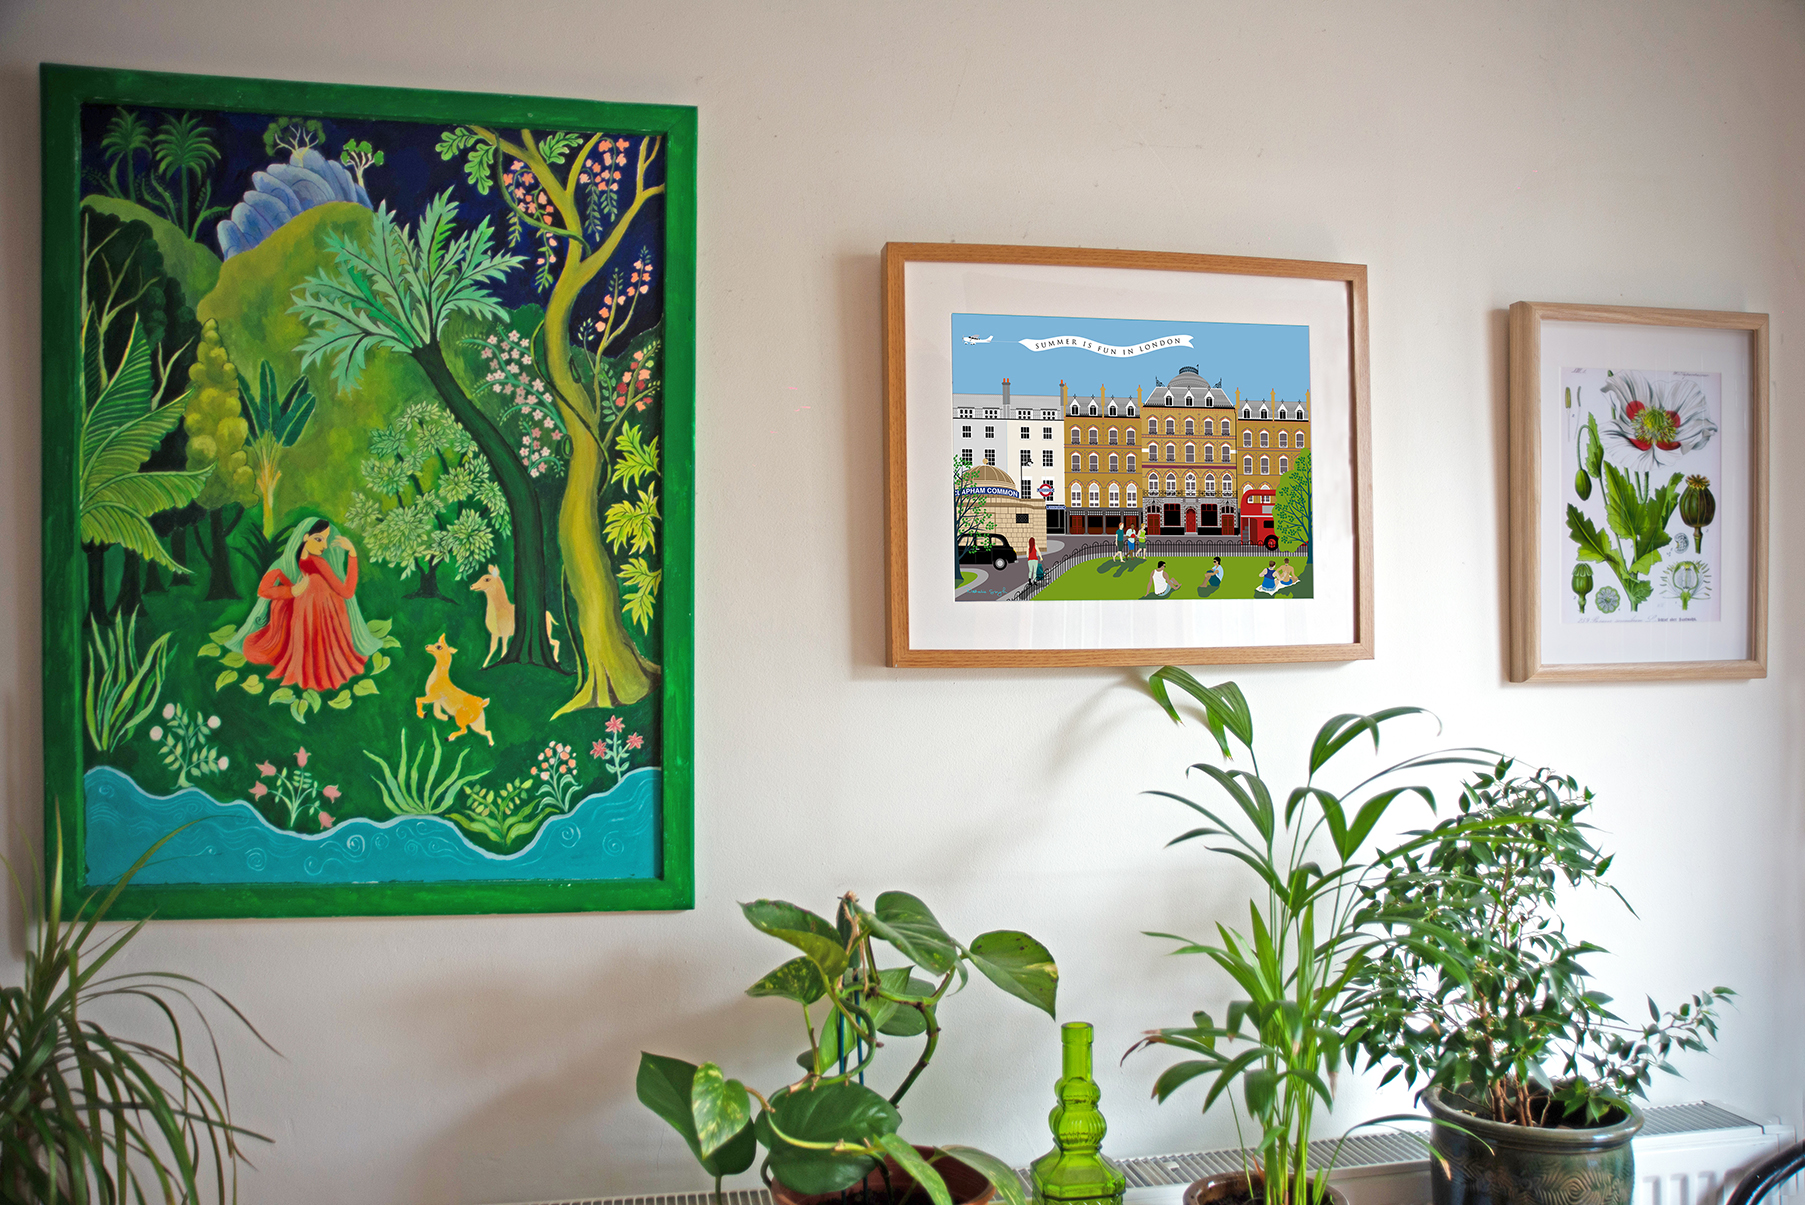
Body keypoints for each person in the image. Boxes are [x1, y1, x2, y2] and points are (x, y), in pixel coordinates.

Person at [226, 518, 384, 692]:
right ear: (305, 537)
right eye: (318, 539)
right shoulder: (287, 564)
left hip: (320, 619)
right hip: (299, 620)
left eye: (326, 539)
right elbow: (263, 590)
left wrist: (352, 554)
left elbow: (346, 592)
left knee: (316, 588)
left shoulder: (317, 562)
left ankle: (315, 662)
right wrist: (291, 591)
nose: (324, 545)